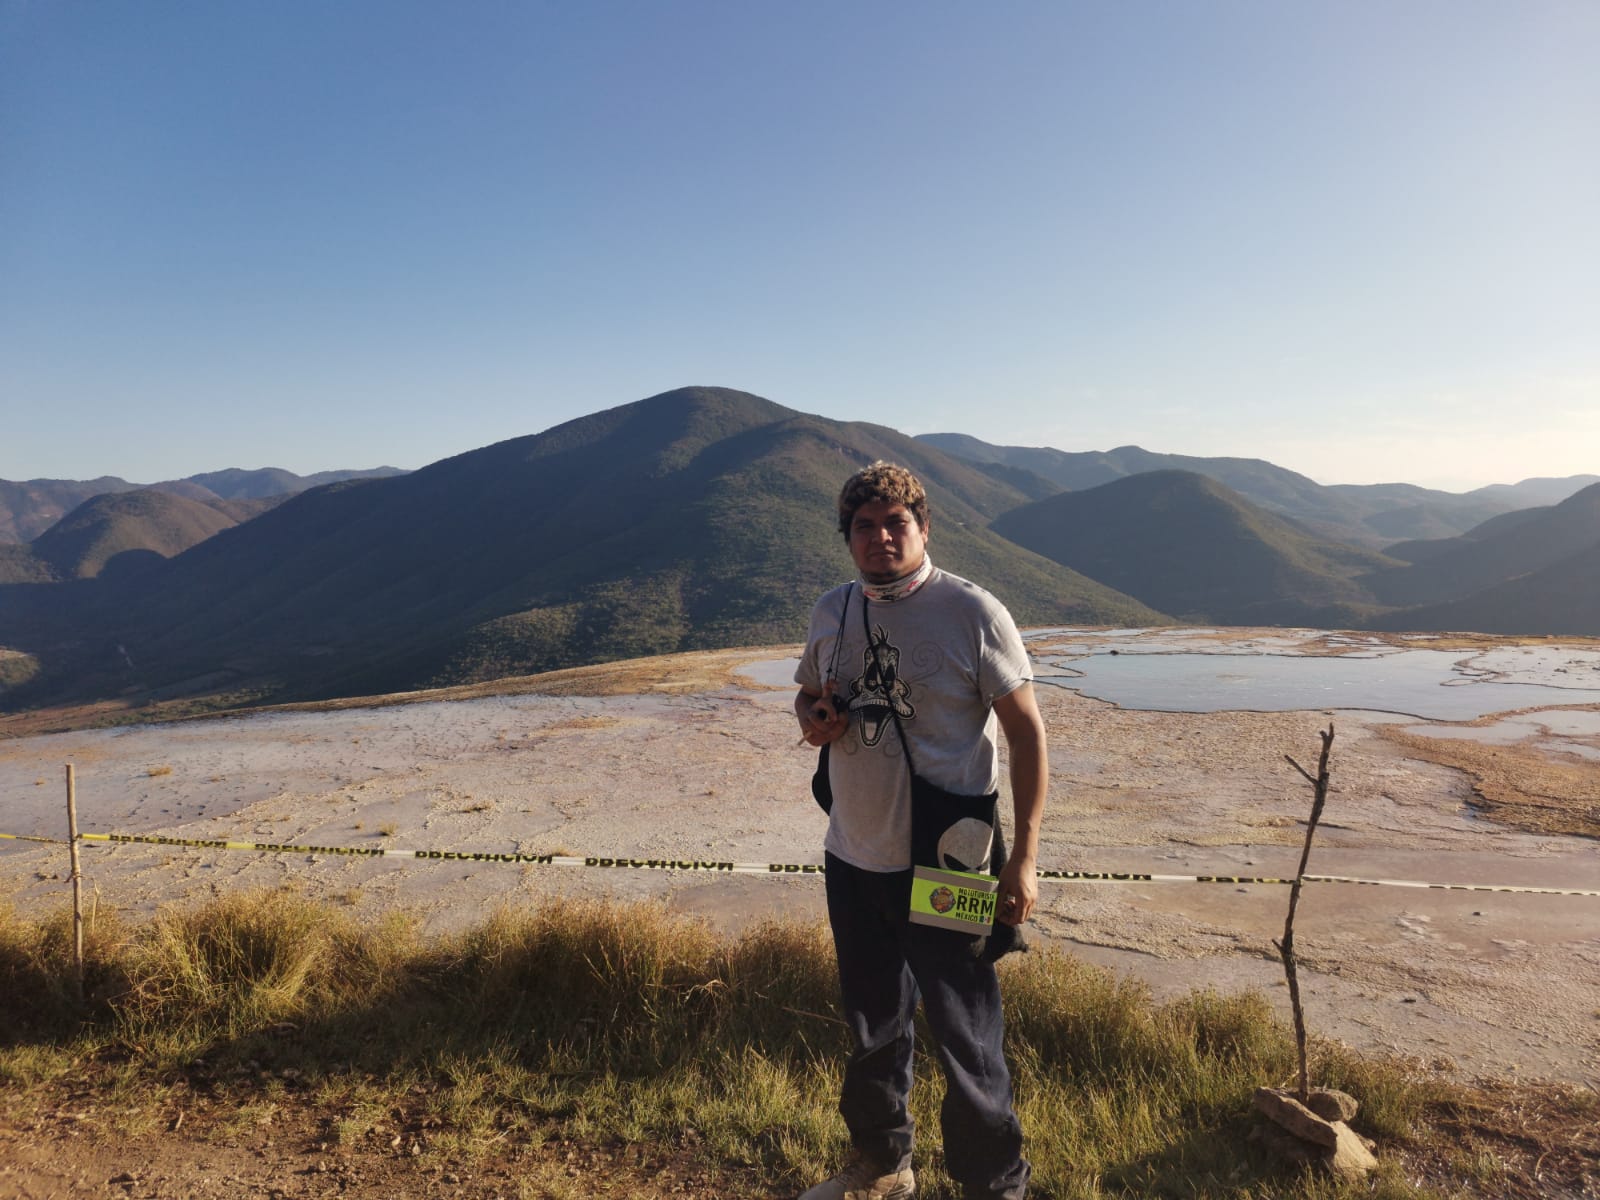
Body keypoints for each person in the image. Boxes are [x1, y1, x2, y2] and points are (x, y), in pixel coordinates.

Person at [793, 462, 1048, 1200]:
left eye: (895, 523)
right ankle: (880, 1167)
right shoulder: (832, 610)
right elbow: (810, 697)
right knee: (872, 1024)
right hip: (853, 857)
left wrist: (1023, 859)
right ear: (848, 537)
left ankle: (994, 1187)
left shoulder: (972, 611)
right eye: (864, 526)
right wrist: (814, 720)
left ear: (923, 527)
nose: (880, 537)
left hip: (951, 862)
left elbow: (1027, 737)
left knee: (964, 1033)